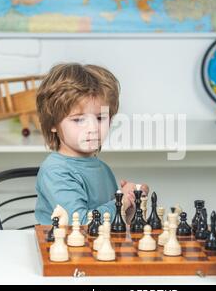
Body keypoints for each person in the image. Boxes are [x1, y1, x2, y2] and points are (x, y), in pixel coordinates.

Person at [34, 63, 148, 225]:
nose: (93, 128)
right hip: (61, 248)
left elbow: (110, 221)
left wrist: (131, 206)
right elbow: (80, 223)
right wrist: (120, 201)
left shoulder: (103, 169)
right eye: (79, 120)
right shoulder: (55, 171)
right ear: (52, 123)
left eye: (100, 118)